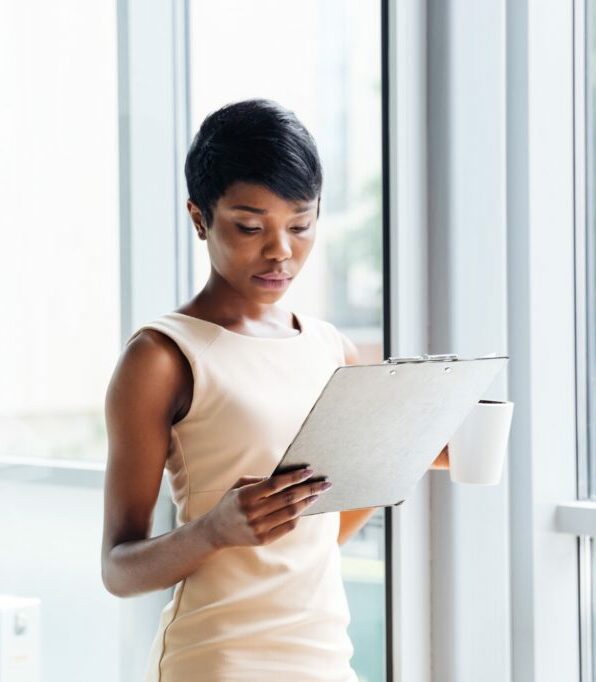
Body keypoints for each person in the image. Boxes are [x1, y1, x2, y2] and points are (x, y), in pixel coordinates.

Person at [100, 98, 449, 681]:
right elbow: (118, 569)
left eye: (300, 224)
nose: (280, 250)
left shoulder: (331, 348)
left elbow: (314, 534)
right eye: (250, 225)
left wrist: (404, 455)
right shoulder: (161, 356)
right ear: (199, 217)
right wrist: (213, 530)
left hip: (324, 659)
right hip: (217, 661)